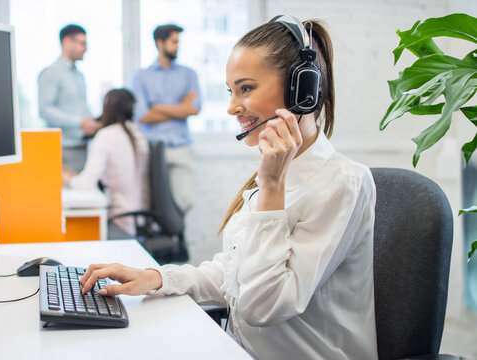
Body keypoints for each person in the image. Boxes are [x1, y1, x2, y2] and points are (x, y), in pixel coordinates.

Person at [80, 16, 377, 360]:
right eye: (231, 91)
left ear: (302, 90)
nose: (232, 107)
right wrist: (156, 278)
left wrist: (271, 186)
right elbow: (235, 273)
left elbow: (261, 307)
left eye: (246, 88)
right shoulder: (276, 171)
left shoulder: (341, 183)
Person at [131, 24, 201, 213]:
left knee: (184, 200)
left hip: (181, 146)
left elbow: (193, 109)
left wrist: (158, 107)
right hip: (153, 147)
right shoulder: (141, 77)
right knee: (152, 202)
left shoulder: (189, 74)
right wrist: (180, 107)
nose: (178, 46)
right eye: (174, 42)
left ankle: (177, 239)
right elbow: (142, 116)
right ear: (160, 43)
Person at [63, 88, 149, 240]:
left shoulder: (106, 135)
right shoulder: (139, 134)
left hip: (121, 225)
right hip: (143, 223)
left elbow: (86, 184)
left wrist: (67, 179)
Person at [38, 24, 101, 173]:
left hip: (82, 148)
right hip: (63, 150)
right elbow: (44, 110)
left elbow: (79, 108)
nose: (86, 48)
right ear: (67, 42)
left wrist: (91, 121)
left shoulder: (79, 76)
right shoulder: (51, 73)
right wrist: (79, 122)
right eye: (82, 43)